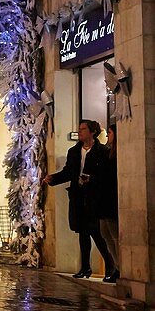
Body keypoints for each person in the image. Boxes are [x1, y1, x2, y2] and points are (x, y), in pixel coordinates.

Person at [47, 119, 114, 279]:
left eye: (83, 129)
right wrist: (53, 178)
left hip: (93, 197)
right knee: (83, 233)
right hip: (78, 197)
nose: (80, 131)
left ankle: (111, 266)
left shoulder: (102, 151)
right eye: (79, 129)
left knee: (96, 233)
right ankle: (85, 267)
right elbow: (69, 172)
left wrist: (91, 179)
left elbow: (105, 175)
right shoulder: (74, 151)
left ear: (92, 132)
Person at [97, 123, 120, 283]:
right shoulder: (108, 153)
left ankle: (119, 267)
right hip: (104, 199)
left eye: (110, 132)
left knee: (114, 235)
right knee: (105, 233)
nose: (107, 136)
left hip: (112, 199)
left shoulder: (117, 154)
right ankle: (117, 265)